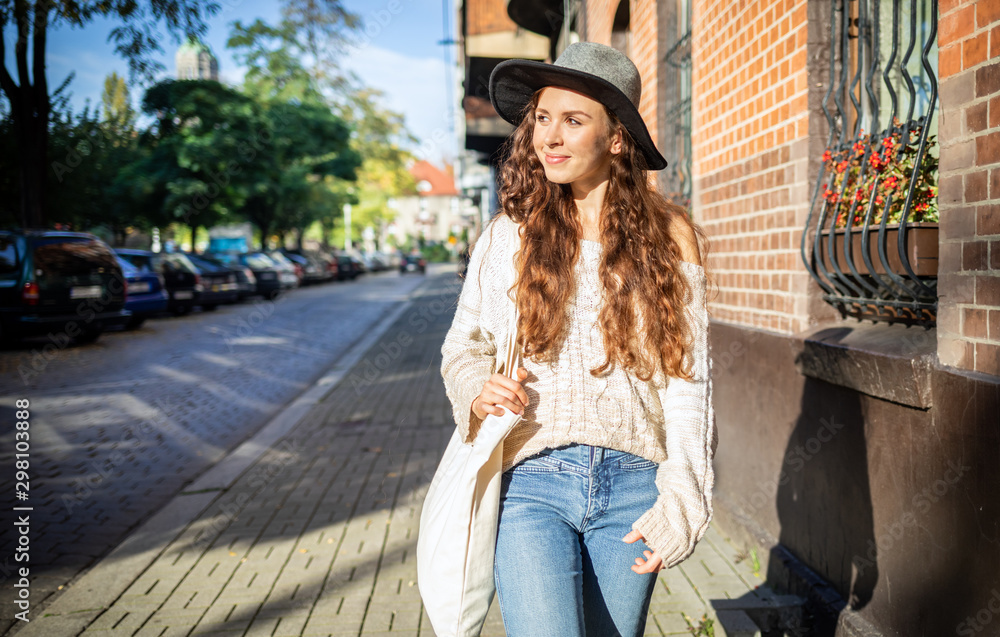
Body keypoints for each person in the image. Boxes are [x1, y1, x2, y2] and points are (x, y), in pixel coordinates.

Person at [440, 42, 716, 637]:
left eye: (572, 120)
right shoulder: (507, 237)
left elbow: (688, 382)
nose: (549, 137)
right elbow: (463, 346)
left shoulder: (671, 238)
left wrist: (684, 500)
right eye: (541, 118)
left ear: (616, 138)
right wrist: (475, 388)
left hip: (635, 485)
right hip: (532, 480)